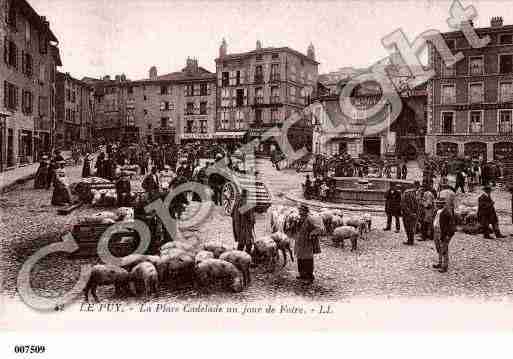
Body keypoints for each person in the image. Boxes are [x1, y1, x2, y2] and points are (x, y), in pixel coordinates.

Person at [293, 204, 322, 283]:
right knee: (300, 259)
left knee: (308, 260)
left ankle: (309, 277)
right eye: (299, 210)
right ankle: (302, 274)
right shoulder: (300, 218)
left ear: (305, 211)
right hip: (300, 243)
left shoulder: (310, 219)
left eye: (301, 210)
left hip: (307, 243)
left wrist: (311, 234)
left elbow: (318, 228)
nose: (299, 212)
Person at [433, 190, 457, 273]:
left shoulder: (447, 212)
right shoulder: (437, 211)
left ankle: (444, 266)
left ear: (442, 204)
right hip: (436, 231)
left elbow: (451, 226)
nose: (437, 204)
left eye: (439, 203)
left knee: (444, 249)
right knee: (438, 248)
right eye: (437, 203)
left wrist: (448, 235)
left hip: (443, 232)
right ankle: (439, 262)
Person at [231, 190, 255, 255]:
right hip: (244, 227)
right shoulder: (246, 203)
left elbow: (232, 214)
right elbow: (250, 217)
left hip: (237, 227)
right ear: (246, 195)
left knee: (241, 243)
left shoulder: (236, 203)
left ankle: (238, 256)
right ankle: (246, 257)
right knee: (248, 243)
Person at [401, 181, 420, 245]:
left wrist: (410, 213)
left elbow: (403, 204)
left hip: (408, 214)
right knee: (412, 227)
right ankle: (411, 240)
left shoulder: (406, 193)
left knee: (408, 227)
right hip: (414, 213)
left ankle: (410, 240)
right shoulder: (417, 193)